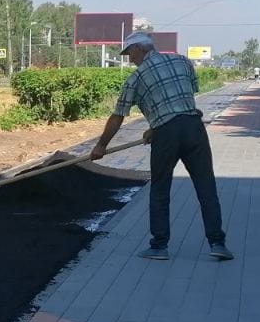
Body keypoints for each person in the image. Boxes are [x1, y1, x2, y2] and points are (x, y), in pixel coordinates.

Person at [90, 31, 232, 262]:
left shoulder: (136, 78)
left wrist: (100, 146)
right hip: (194, 128)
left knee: (159, 189)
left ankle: (159, 246)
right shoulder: (182, 61)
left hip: (167, 135)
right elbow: (182, 101)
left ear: (139, 49)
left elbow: (118, 116)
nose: (129, 59)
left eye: (129, 53)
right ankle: (218, 243)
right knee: (206, 187)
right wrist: (155, 127)